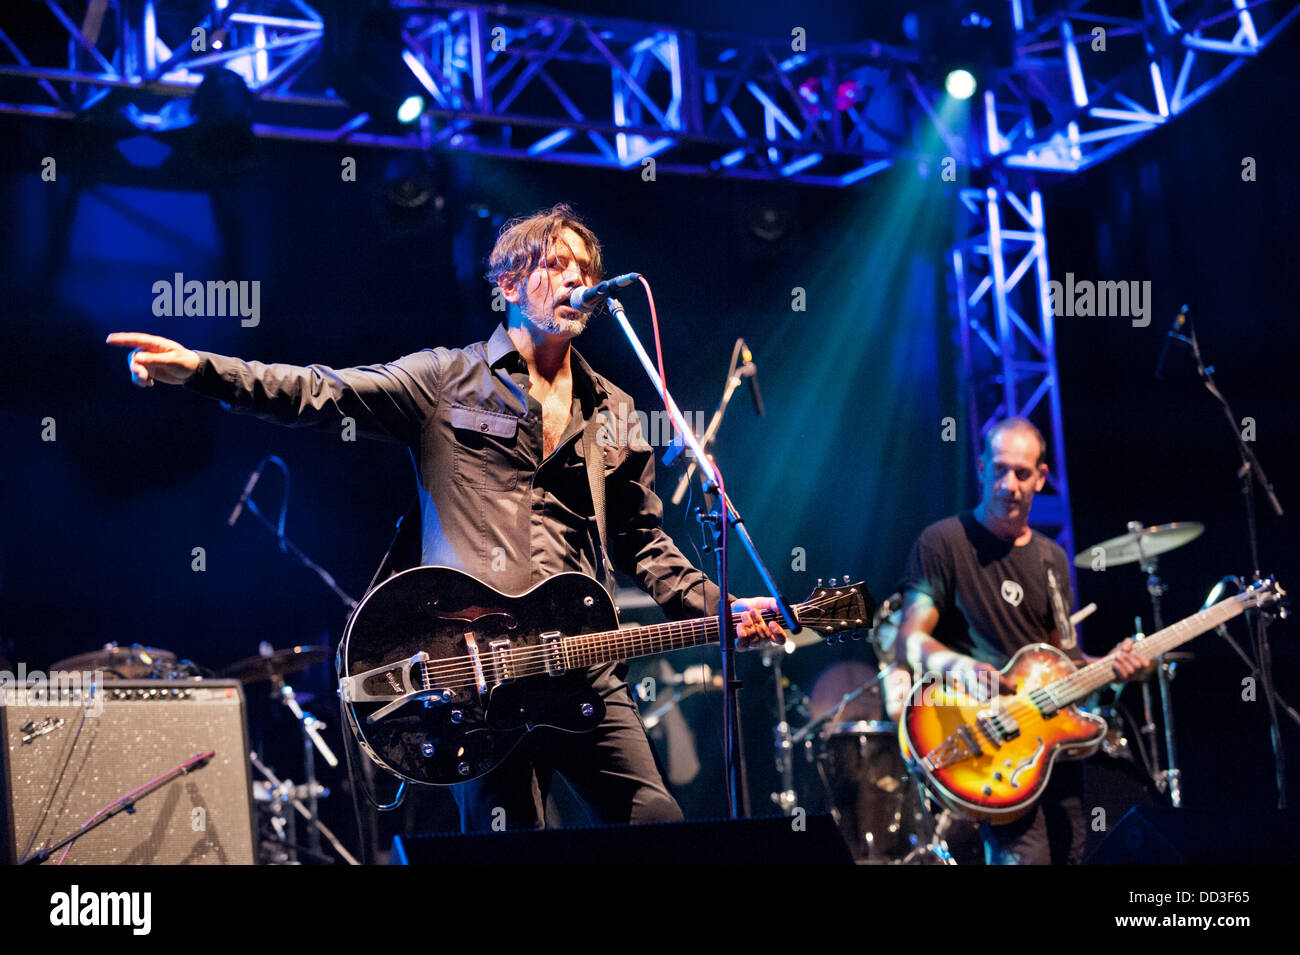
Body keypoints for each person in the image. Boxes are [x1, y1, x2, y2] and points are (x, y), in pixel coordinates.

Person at [107, 203, 784, 833]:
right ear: (510, 283)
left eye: (586, 268)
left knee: (657, 825)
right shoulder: (444, 380)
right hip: (480, 679)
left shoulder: (615, 409)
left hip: (583, 667)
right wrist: (201, 369)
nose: (576, 276)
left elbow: (643, 541)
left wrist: (717, 604)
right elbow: (320, 391)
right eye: (556, 263)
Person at [895, 416, 1146, 865]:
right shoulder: (942, 542)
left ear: (1041, 477)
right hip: (995, 746)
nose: (1009, 484)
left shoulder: (1052, 557)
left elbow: (1064, 660)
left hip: (1056, 750)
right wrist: (961, 667)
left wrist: (1113, 665)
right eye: (999, 469)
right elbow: (910, 641)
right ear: (981, 468)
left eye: (1022, 473)